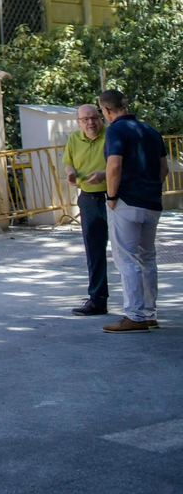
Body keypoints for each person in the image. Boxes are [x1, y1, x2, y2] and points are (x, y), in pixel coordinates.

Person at [99, 89, 166, 332]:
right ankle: (150, 314)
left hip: (126, 201)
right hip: (152, 202)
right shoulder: (150, 130)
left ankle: (134, 316)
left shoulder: (115, 130)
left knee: (126, 259)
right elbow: (164, 169)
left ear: (106, 110)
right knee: (147, 257)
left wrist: (112, 196)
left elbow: (114, 165)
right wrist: (152, 189)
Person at [63, 105, 110, 316]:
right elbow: (69, 163)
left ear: (101, 118)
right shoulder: (74, 138)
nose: (91, 122)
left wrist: (104, 174)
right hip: (88, 198)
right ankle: (97, 300)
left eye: (94, 118)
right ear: (78, 122)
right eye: (85, 119)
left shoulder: (112, 136)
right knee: (94, 250)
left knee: (125, 250)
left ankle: (137, 303)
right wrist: (71, 173)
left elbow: (121, 164)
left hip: (113, 197)